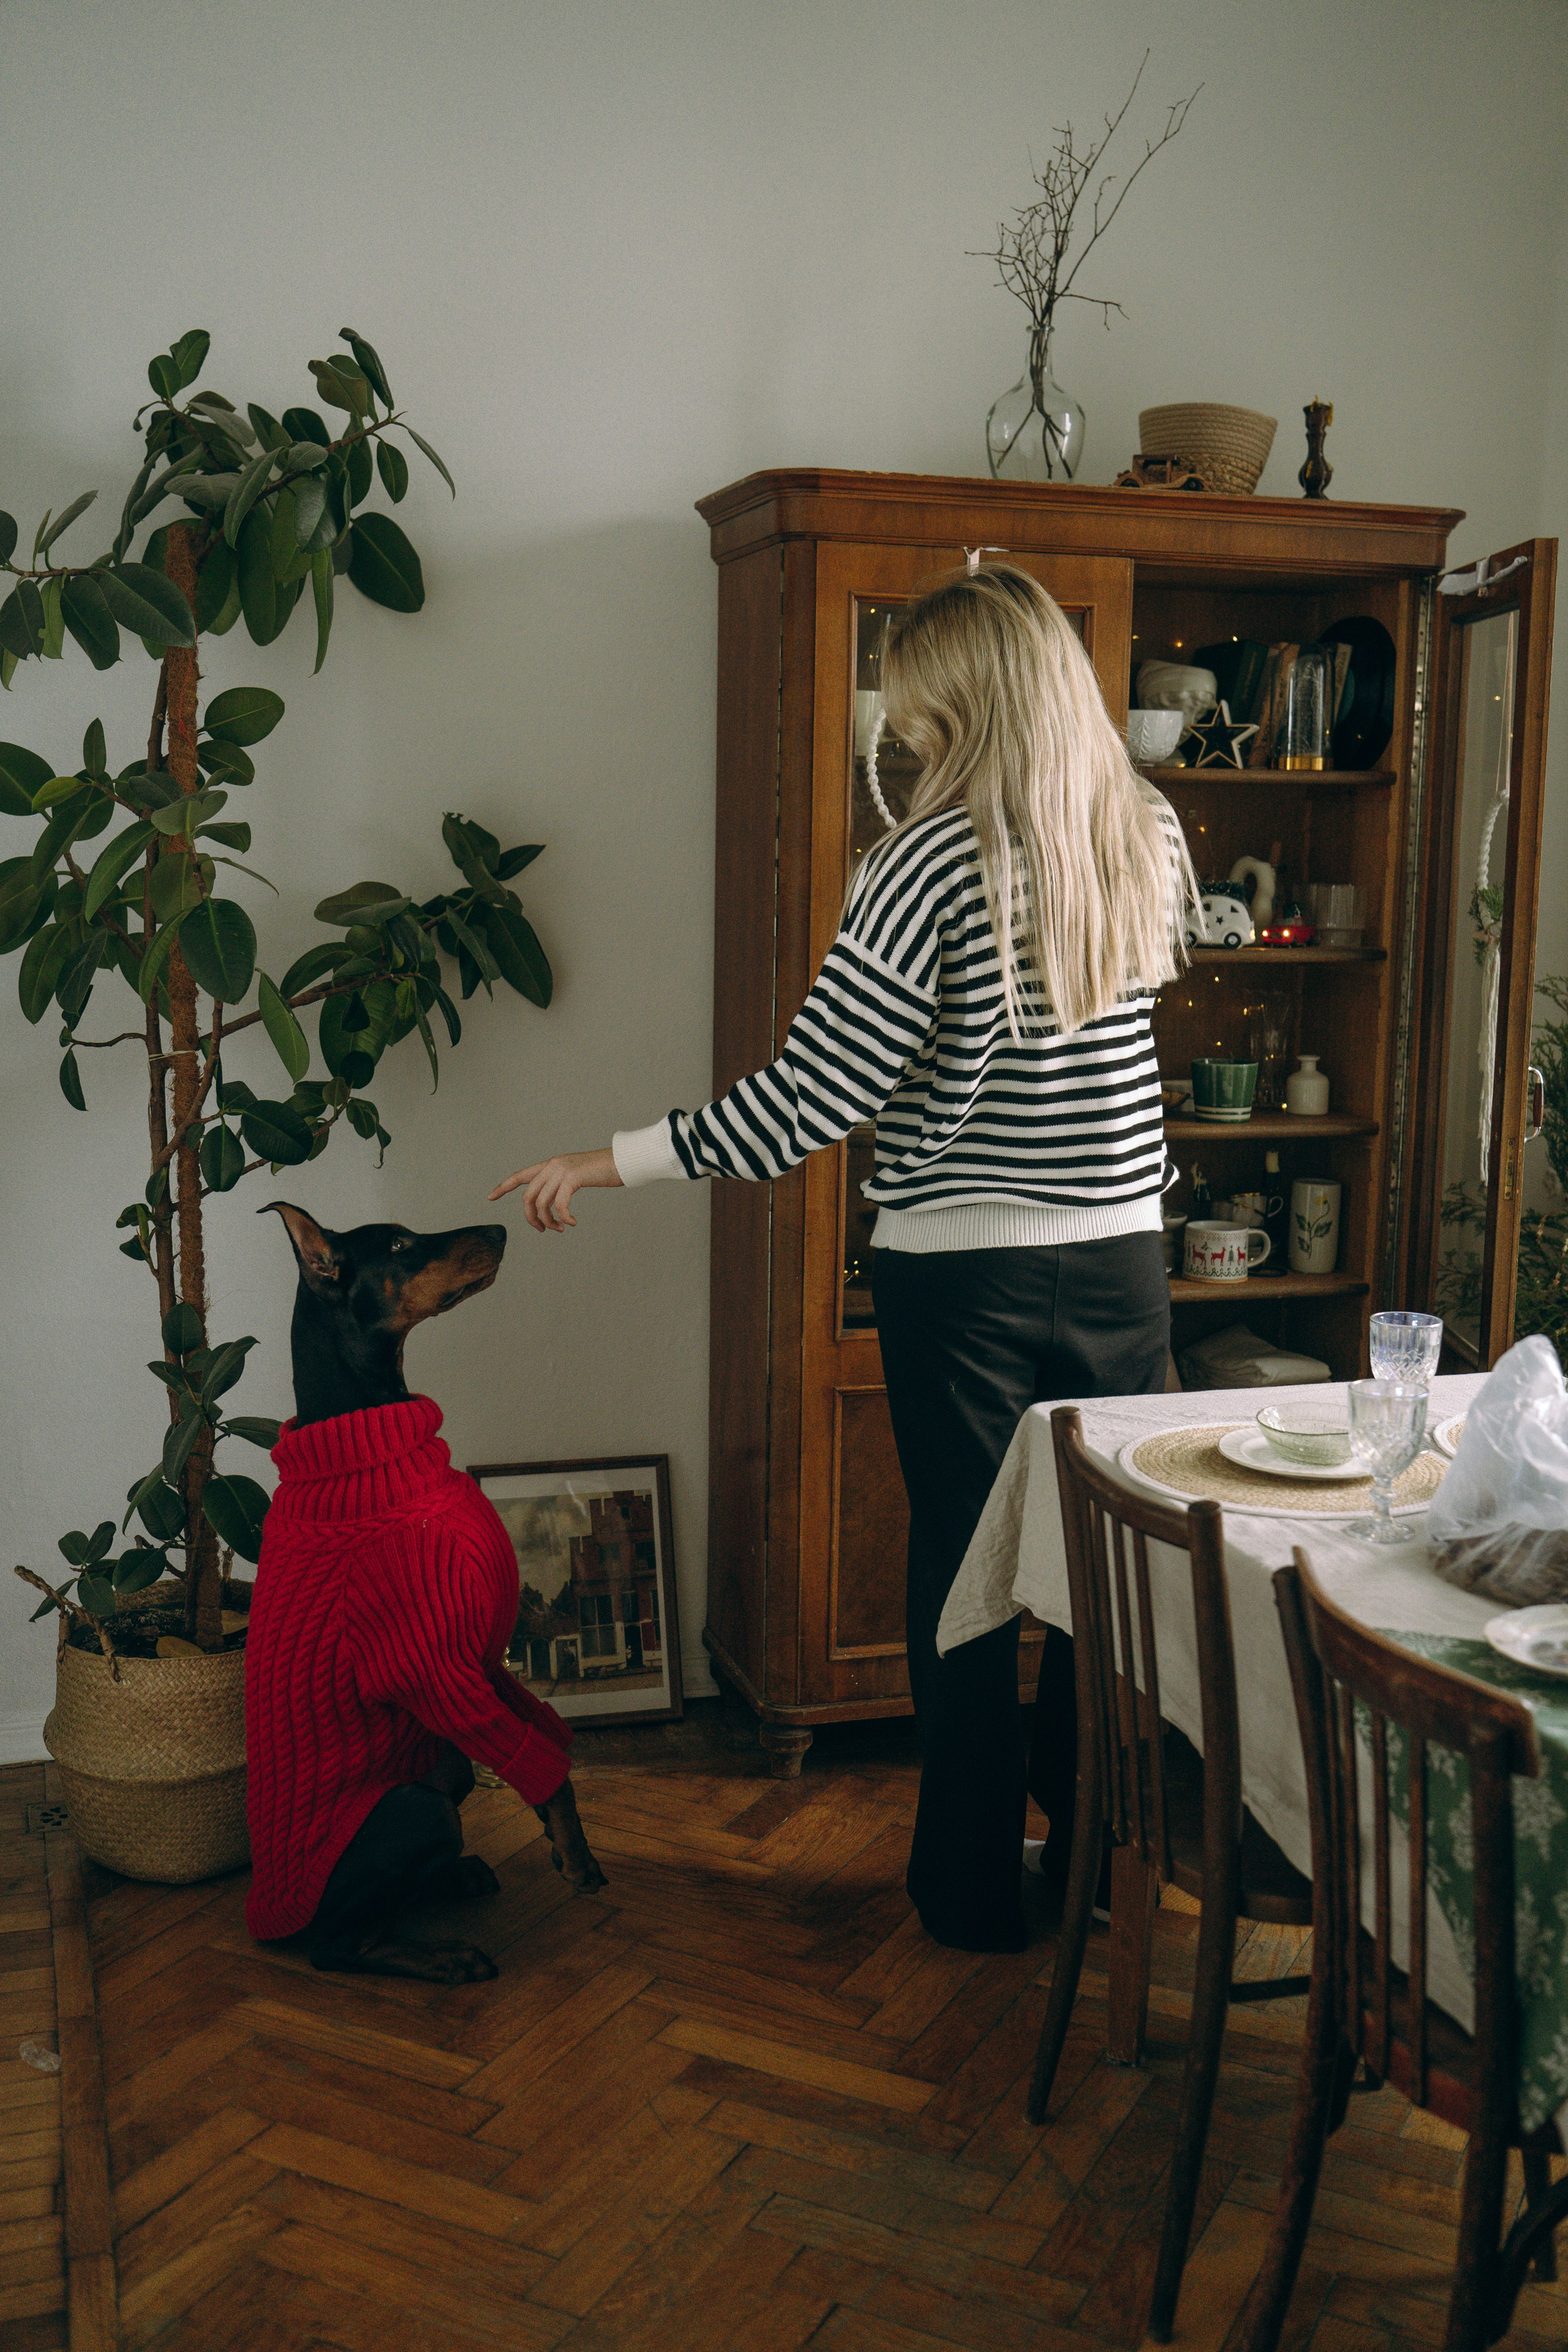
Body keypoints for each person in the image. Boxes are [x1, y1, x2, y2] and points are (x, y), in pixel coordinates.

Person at [490, 563, 1196, 1953]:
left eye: (917, 706)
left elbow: (815, 1098)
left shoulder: (920, 860)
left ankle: (971, 1893)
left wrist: (608, 1158)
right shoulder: (1147, 831)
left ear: (966, 702)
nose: (901, 731)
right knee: (1107, 1571)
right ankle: (1098, 1859)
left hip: (963, 1275)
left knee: (970, 1577)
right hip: (1123, 1255)